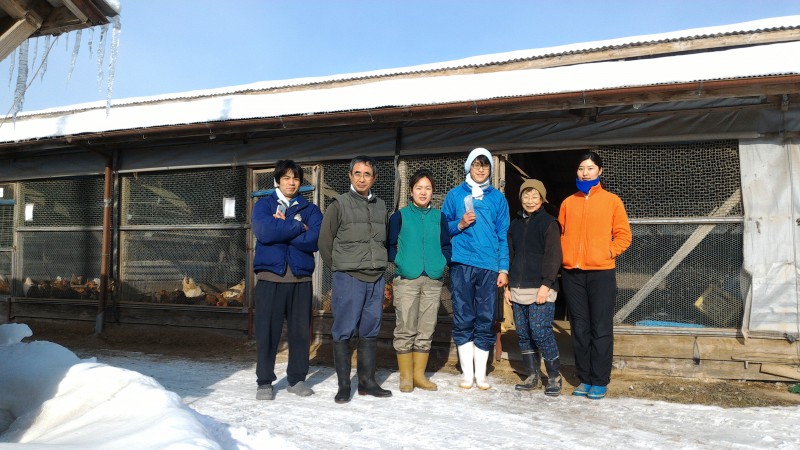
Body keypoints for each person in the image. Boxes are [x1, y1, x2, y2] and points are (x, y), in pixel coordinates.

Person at [318, 155, 392, 403]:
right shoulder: (338, 205)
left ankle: (367, 382)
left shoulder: (381, 206)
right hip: (349, 278)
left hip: (376, 277)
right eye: (357, 173)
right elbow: (325, 242)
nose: (362, 178)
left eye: (367, 174)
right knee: (344, 330)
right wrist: (342, 267)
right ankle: (343, 386)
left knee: (370, 329)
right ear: (350, 176)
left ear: (374, 178)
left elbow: (384, 238)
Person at [558, 151, 632, 400]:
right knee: (580, 327)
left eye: (590, 168)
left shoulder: (612, 201)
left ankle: (600, 380)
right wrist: (565, 256)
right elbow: (561, 233)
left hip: (601, 273)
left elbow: (624, 236)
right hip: (573, 274)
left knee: (600, 327)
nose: (585, 172)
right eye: (581, 168)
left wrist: (607, 252)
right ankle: (584, 378)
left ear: (599, 171)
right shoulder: (569, 202)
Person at [251, 160, 322, 401]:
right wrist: (296, 226)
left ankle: (296, 379)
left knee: (300, 333)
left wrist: (282, 228)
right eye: (287, 178)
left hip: (300, 279)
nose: (291, 182)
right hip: (270, 278)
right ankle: (264, 381)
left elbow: (314, 238)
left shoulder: (310, 209)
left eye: (296, 178)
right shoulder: (263, 206)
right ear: (278, 180)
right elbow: (263, 232)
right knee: (267, 332)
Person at [442, 147, 510, 390]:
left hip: (488, 265)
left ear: (490, 168)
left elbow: (503, 234)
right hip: (461, 262)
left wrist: (503, 268)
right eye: (476, 164)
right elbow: (443, 228)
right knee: (463, 315)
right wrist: (459, 224)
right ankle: (466, 374)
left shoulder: (497, 198)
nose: (480, 169)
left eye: (485, 165)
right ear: (468, 167)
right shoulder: (454, 195)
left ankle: (480, 375)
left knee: (485, 317)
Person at [387, 168, 452, 393]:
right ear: (411, 191)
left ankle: (419, 375)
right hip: (407, 278)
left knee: (426, 327)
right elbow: (390, 245)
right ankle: (406, 377)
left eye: (427, 188)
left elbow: (446, 244)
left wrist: (443, 261)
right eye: (419, 188)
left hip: (433, 278)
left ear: (432, 192)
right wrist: (400, 263)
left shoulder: (439, 216)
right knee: (405, 326)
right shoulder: (400, 216)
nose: (423, 192)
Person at [504, 179, 563, 396]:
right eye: (526, 196)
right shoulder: (515, 224)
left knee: (541, 332)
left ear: (542, 198)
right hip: (518, 287)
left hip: (540, 288)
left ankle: (554, 377)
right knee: (523, 333)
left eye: (534, 196)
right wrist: (508, 286)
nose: (530, 201)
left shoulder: (549, 223)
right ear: (520, 198)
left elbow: (553, 256)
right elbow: (510, 255)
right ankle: (532, 376)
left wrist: (546, 284)